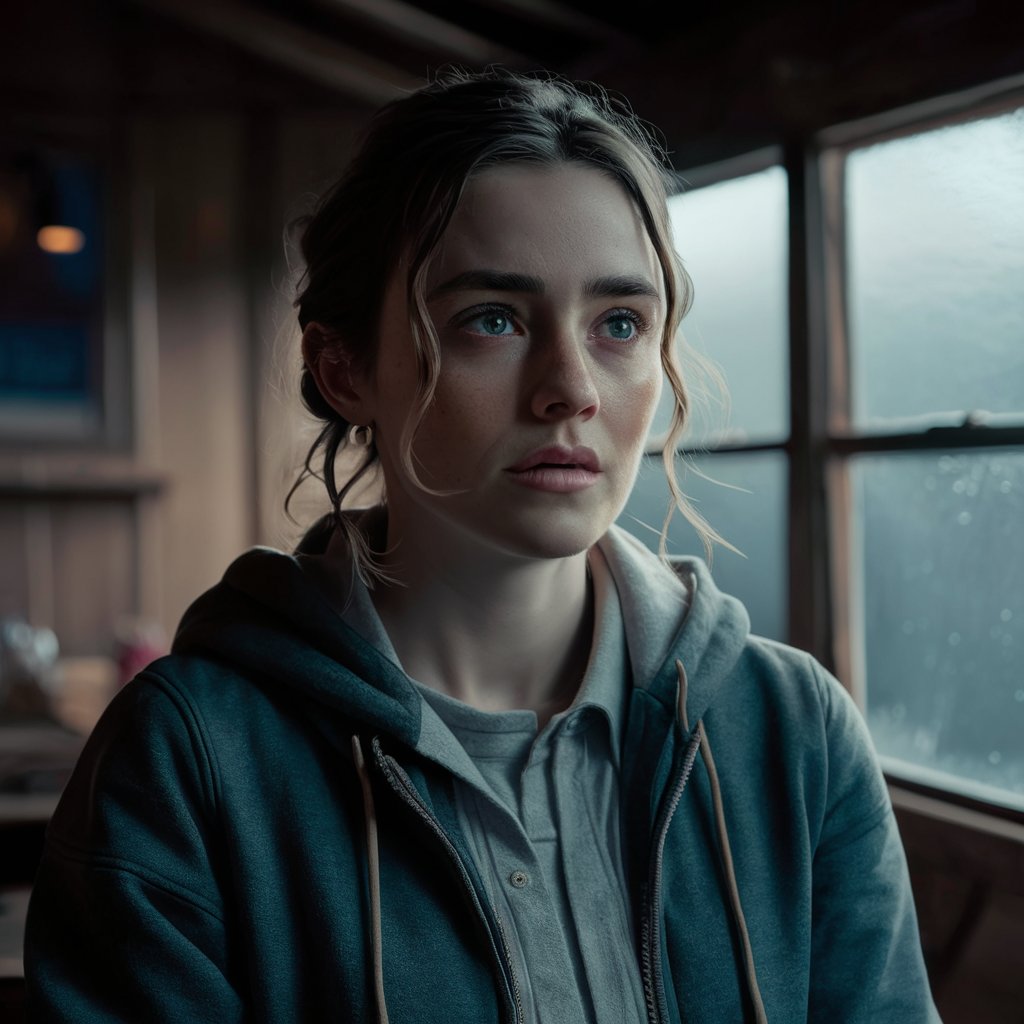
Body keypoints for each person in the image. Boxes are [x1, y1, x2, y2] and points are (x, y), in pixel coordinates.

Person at [25, 69, 941, 1023]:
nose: (570, 388)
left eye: (619, 323)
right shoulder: (189, 756)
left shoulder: (794, 733)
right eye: (491, 320)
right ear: (343, 370)